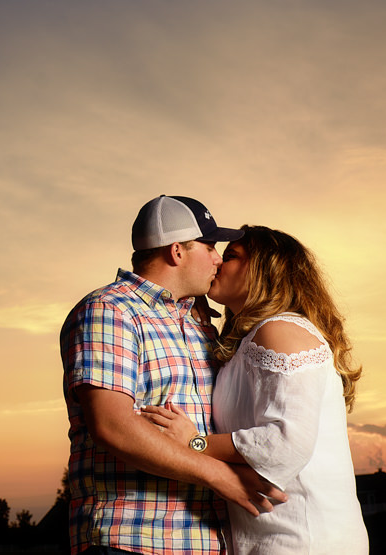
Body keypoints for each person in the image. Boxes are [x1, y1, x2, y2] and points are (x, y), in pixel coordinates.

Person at [60, 196, 287, 555]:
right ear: (177, 251)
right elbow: (111, 425)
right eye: (210, 246)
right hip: (131, 539)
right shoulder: (110, 311)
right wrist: (219, 475)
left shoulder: (200, 324)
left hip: (207, 542)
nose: (218, 258)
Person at [143, 225, 369, 554]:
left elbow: (285, 443)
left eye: (231, 256)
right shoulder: (250, 341)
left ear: (266, 269)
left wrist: (194, 442)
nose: (217, 260)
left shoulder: (281, 330)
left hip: (304, 539)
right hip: (270, 535)